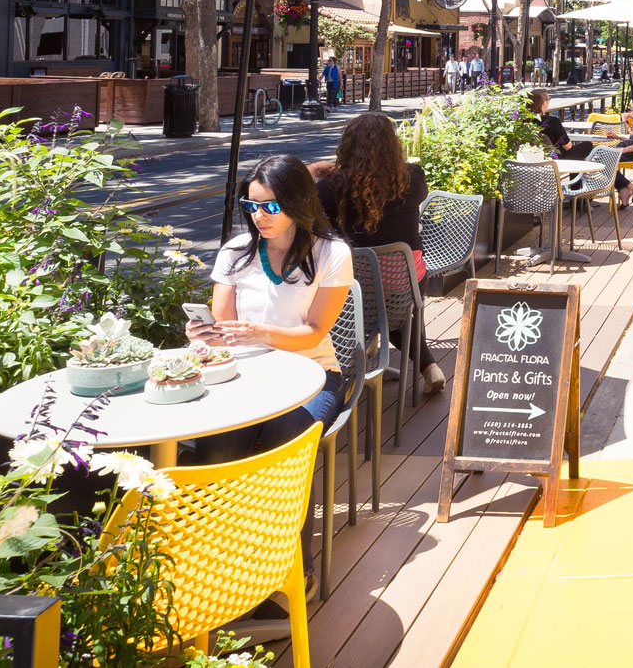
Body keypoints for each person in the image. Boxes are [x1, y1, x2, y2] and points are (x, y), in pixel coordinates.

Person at [191, 154, 353, 463]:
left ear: (299, 202)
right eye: (251, 206)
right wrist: (202, 333)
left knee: (282, 443)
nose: (259, 216)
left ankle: (283, 513)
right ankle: (224, 511)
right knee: (217, 442)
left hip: (313, 373)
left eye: (271, 207)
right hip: (245, 372)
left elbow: (314, 334)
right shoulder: (235, 252)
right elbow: (223, 330)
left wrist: (259, 333)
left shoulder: (332, 253)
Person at [316, 113, 445, 396]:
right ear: (392, 146)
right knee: (396, 315)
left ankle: (363, 364)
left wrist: (316, 171)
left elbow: (301, 199)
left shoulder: (329, 187)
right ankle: (428, 367)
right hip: (405, 282)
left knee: (373, 306)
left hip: (352, 291)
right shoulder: (413, 178)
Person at [528, 88, 592, 161]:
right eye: (549, 99)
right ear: (544, 102)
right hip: (556, 158)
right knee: (588, 145)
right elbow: (568, 146)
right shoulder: (552, 121)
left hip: (530, 157)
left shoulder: (523, 120)